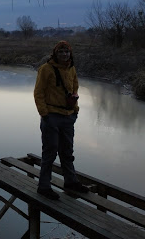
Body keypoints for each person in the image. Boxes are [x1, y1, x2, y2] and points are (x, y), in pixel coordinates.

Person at [33, 40, 89, 200]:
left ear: (70, 53)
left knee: (67, 152)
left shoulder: (71, 68)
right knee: (49, 153)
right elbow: (38, 93)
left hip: (68, 117)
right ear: (55, 54)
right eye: (61, 52)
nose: (64, 54)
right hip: (51, 117)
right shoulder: (46, 69)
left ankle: (71, 182)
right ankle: (44, 186)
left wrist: (75, 110)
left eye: (66, 52)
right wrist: (44, 114)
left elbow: (75, 88)